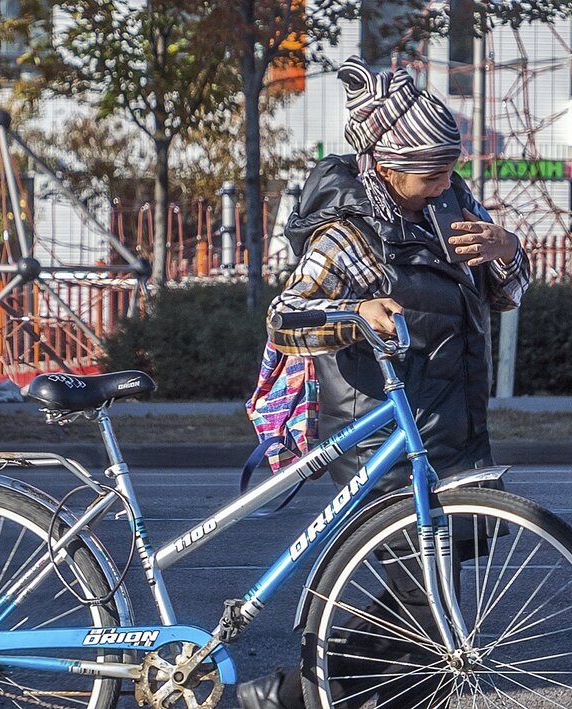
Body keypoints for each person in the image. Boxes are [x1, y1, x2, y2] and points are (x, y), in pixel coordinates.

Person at [237, 56, 529, 709]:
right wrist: (354, 312)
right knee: (427, 610)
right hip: (382, 441)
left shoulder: (444, 203)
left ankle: (298, 692)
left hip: (446, 430)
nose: (447, 182)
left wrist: (507, 250)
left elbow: (504, 293)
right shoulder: (349, 230)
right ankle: (291, 692)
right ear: (388, 167)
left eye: (451, 169)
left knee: (426, 618)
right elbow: (286, 318)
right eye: (433, 172)